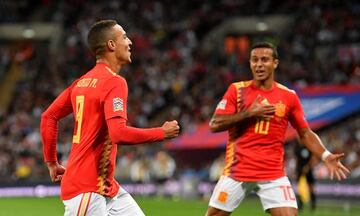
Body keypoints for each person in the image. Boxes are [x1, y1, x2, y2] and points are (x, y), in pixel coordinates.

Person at [40, 19, 180, 216]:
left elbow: (49, 116)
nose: (130, 41)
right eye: (124, 36)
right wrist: (161, 132)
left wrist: (52, 163)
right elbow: (119, 134)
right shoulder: (114, 83)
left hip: (106, 188)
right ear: (111, 45)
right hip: (87, 190)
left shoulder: (80, 83)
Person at [205, 42, 349, 216]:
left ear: (275, 63)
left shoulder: (289, 96)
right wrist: (249, 113)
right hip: (237, 170)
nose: (259, 64)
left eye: (264, 60)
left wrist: (325, 155)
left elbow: (305, 133)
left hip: (272, 173)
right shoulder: (236, 90)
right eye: (254, 60)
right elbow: (215, 124)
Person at [294, 140, 317, 211]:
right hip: (300, 171)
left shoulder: (309, 146)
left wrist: (308, 167)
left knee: (311, 188)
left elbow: (313, 158)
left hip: (309, 170)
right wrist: (297, 170)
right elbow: (297, 159)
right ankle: (300, 205)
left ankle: (313, 205)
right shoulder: (297, 147)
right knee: (300, 188)